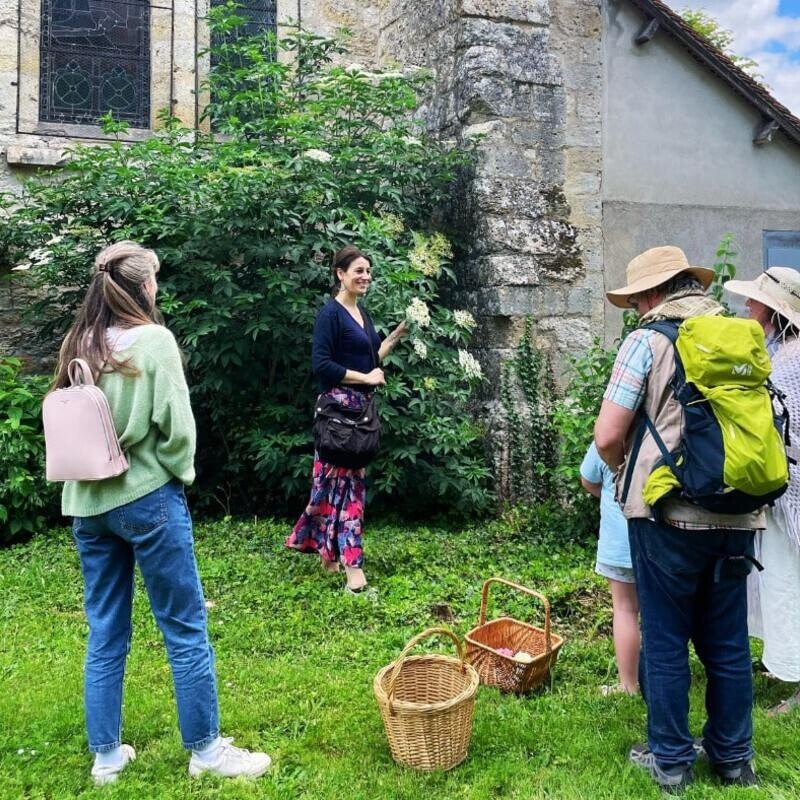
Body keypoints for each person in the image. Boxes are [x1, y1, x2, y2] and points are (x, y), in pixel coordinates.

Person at [57, 242, 271, 785]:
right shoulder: (154, 341)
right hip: (147, 497)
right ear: (142, 285)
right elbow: (178, 429)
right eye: (154, 278)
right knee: (183, 626)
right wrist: (179, 474)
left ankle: (106, 758)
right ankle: (206, 751)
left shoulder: (77, 343)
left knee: (105, 631)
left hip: (87, 505)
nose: (157, 287)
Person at [594, 245, 762, 792]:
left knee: (665, 639)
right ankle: (733, 759)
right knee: (729, 643)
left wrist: (627, 475)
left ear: (649, 293)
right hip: (736, 511)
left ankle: (670, 761)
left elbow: (607, 436)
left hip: (666, 513)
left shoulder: (644, 341)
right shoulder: (738, 335)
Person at [285, 245, 406, 593]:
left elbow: (370, 357)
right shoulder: (331, 315)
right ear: (340, 273)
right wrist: (367, 379)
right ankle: (354, 572)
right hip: (338, 416)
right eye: (358, 270)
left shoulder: (361, 314)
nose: (365, 276)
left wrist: (395, 337)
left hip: (360, 415)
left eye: (368, 271)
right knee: (345, 488)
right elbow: (322, 366)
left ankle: (328, 556)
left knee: (332, 485)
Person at [725, 267, 800, 715]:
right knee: (780, 578)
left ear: (774, 309)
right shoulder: (781, 352)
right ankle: (785, 664)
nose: (748, 306)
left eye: (756, 301)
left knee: (789, 580)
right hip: (784, 486)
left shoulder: (789, 362)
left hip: (791, 488)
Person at [580, 442, 639, 695]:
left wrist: (612, 493)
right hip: (663, 539)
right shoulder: (663, 427)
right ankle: (666, 678)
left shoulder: (610, 438)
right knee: (663, 613)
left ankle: (628, 685)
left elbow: (588, 480)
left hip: (620, 544)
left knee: (625, 610)